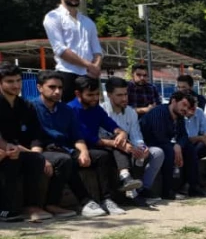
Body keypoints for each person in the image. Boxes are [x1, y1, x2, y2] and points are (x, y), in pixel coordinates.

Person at [32, 71, 118, 217]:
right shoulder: (31, 107)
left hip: (66, 148)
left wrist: (84, 152)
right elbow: (33, 137)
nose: (57, 91)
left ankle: (106, 200)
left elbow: (77, 136)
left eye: (60, 87)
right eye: (52, 87)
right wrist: (38, 158)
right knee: (65, 160)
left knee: (101, 156)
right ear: (40, 88)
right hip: (45, 149)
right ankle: (80, 202)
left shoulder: (65, 109)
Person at [0, 62, 75, 221]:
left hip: (20, 150)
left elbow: (35, 135)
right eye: (10, 81)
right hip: (6, 150)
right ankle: (6, 209)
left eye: (18, 80)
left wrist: (38, 155)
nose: (16, 85)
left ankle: (42, 205)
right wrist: (10, 148)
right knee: (13, 158)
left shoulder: (25, 105)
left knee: (62, 160)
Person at [67, 76, 143, 199]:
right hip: (77, 146)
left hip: (94, 145)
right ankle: (115, 191)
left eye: (97, 94)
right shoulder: (71, 109)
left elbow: (110, 124)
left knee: (123, 144)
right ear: (78, 94)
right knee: (109, 151)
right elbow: (84, 136)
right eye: (90, 95)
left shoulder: (96, 108)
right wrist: (114, 143)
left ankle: (127, 180)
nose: (95, 98)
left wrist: (122, 133)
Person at [102, 76, 164, 206]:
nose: (124, 98)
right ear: (109, 95)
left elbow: (136, 135)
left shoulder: (131, 112)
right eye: (119, 95)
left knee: (157, 153)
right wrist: (126, 145)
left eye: (125, 94)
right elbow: (102, 136)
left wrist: (142, 147)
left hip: (130, 146)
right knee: (123, 148)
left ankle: (142, 189)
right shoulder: (102, 111)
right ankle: (130, 187)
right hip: (111, 147)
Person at [42, 0, 103, 103]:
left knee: (92, 114)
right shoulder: (53, 17)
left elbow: (97, 50)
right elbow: (61, 50)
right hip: (67, 74)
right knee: (69, 114)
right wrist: (89, 65)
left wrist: (96, 67)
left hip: (90, 76)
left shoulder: (88, 22)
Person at [140, 90, 204, 200]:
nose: (185, 109)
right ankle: (167, 191)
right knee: (169, 150)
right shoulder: (159, 112)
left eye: (188, 107)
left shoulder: (179, 116)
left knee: (188, 147)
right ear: (174, 101)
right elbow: (158, 136)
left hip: (163, 143)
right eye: (183, 104)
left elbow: (183, 135)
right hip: (147, 143)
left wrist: (178, 145)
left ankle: (194, 187)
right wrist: (174, 146)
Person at [183, 93, 206, 187]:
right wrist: (201, 138)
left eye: (195, 105)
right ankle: (191, 183)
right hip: (183, 145)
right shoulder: (179, 114)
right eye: (191, 107)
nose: (194, 110)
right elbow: (182, 139)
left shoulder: (199, 111)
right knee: (191, 152)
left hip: (196, 143)